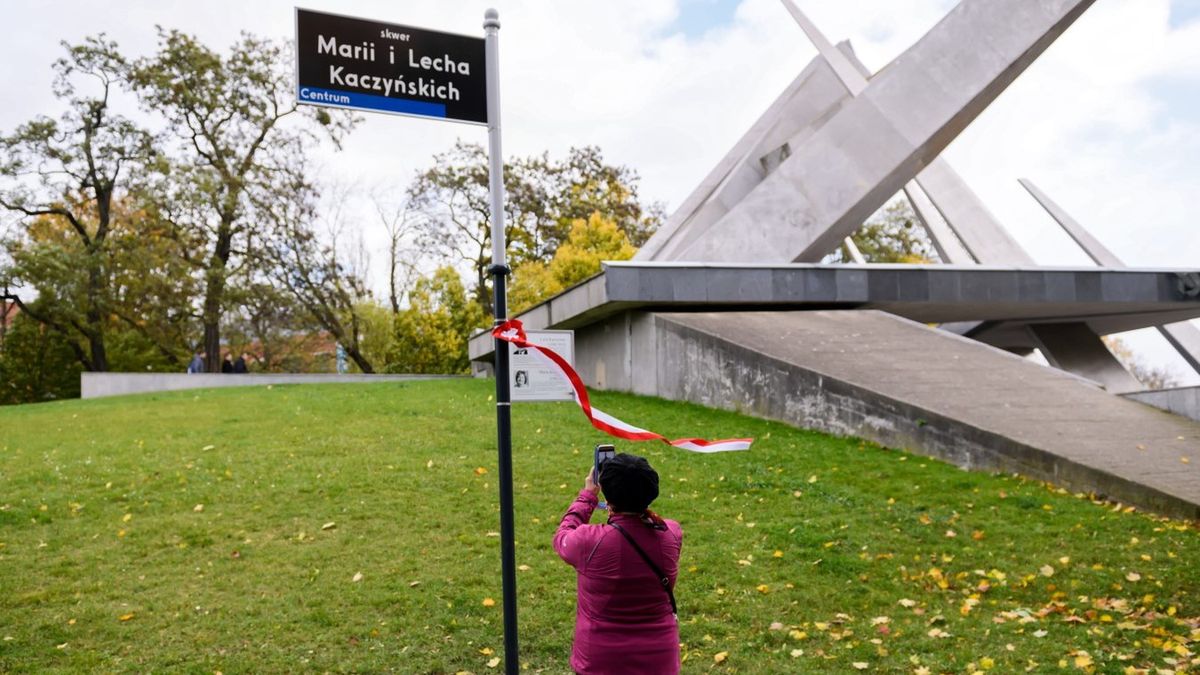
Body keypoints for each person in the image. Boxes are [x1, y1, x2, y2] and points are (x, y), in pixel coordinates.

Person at [553, 452, 682, 675]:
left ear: (606, 491)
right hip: (659, 661)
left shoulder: (587, 541)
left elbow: (562, 536)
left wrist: (587, 496)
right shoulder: (672, 533)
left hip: (601, 662)